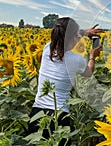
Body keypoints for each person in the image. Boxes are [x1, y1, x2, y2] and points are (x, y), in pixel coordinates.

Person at [27, 17, 103, 145]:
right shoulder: (75, 60)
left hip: (37, 113)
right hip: (59, 117)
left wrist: (84, 32)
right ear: (71, 38)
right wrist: (92, 57)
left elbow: (64, 32)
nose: (79, 39)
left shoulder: (47, 49)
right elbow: (89, 73)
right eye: (77, 36)